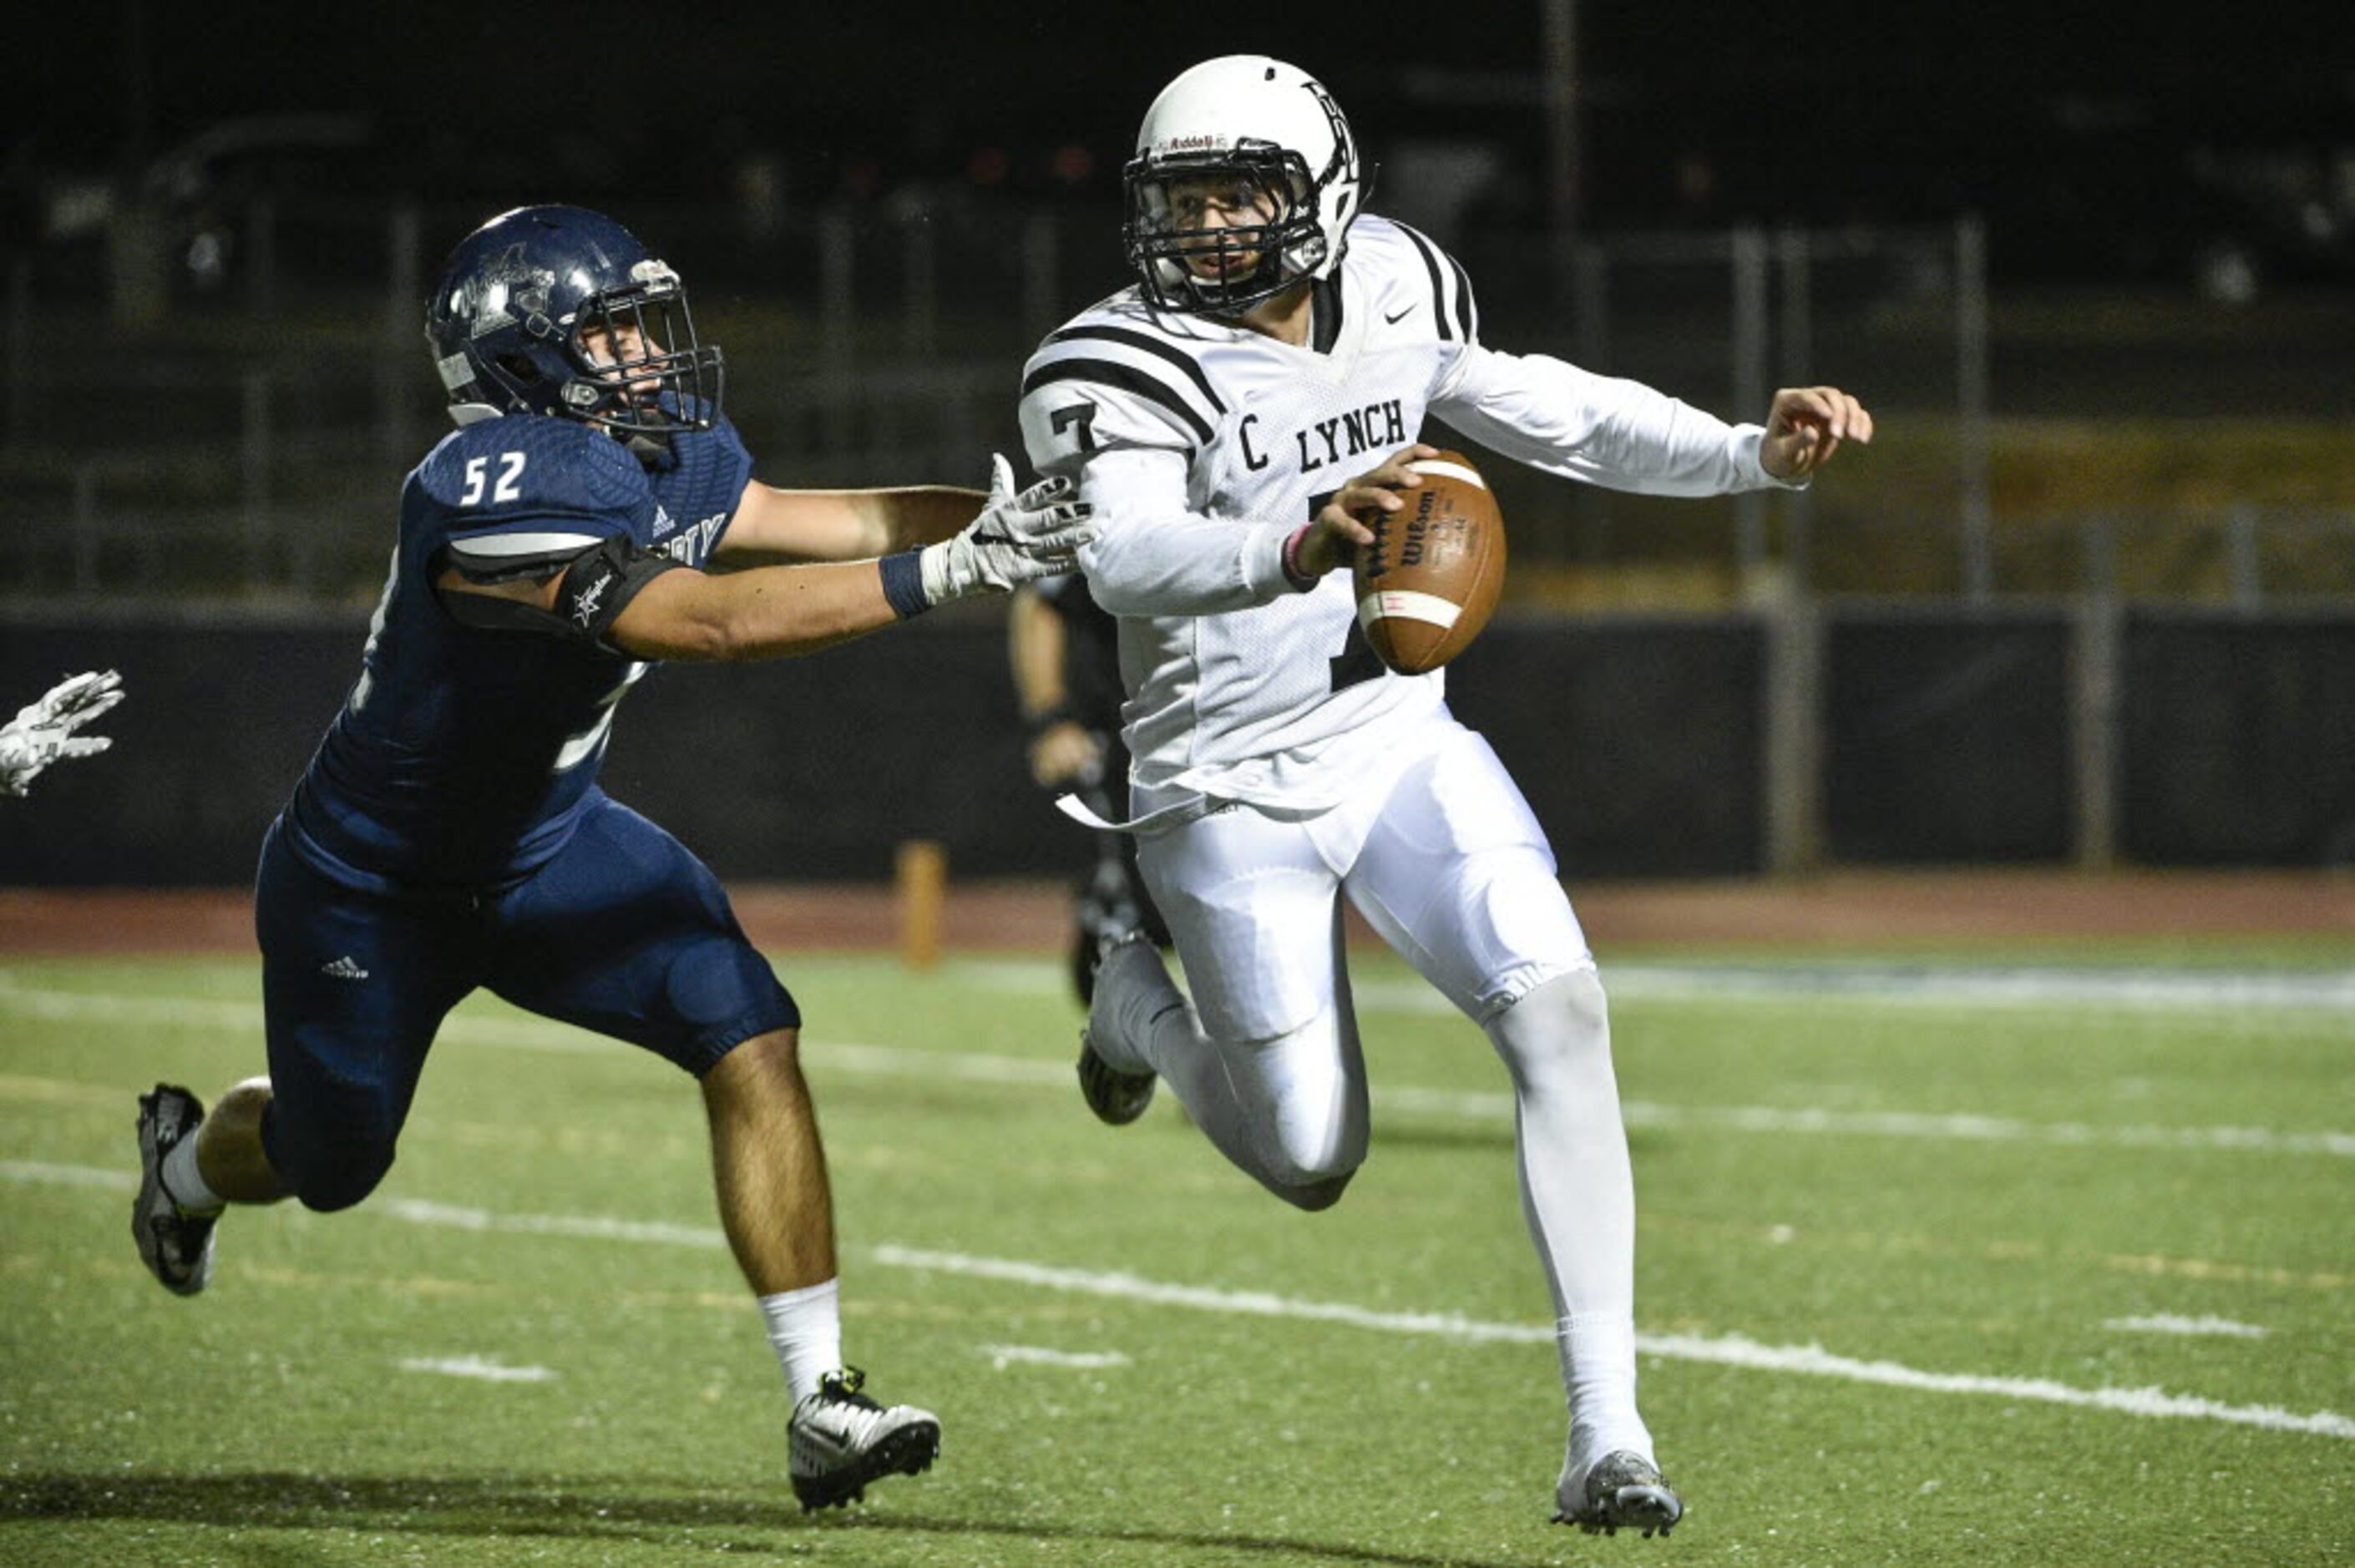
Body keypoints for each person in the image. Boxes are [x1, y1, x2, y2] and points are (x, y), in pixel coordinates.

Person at [1017, 57, 1872, 1536]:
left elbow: (1548, 408)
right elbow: (1124, 556)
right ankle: (1132, 1005)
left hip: (1395, 734)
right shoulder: (1104, 362)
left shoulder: (1400, 280)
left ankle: (1607, 1429)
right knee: (1309, 1156)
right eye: (1185, 198)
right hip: (1222, 784)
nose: (1211, 226)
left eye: (1244, 192)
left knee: (1560, 1005)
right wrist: (1293, 545)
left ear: (1328, 194)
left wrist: (1749, 456)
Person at [131, 204, 1092, 1512]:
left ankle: (822, 1398)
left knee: (747, 1025)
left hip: (554, 844)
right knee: (331, 1161)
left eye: (643, 322)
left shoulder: (663, 450)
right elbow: (702, 623)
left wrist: (1032, 522)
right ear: (519, 361)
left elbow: (823, 515)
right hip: (373, 884)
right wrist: (954, 572)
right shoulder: (488, 487)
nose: (646, 353)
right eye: (611, 331)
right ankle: (186, 1169)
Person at [1005, 573, 1168, 1004]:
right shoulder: (1121, 509)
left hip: (1245, 741)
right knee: (1135, 925)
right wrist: (1051, 718)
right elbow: (1041, 598)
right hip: (1136, 741)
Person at [0, 669, 123, 796]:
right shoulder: (16, 770)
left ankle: (100, 684)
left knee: (61, 710)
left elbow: (26, 757)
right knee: (65, 716)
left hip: (32, 730)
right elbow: (35, 760)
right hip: (37, 735)